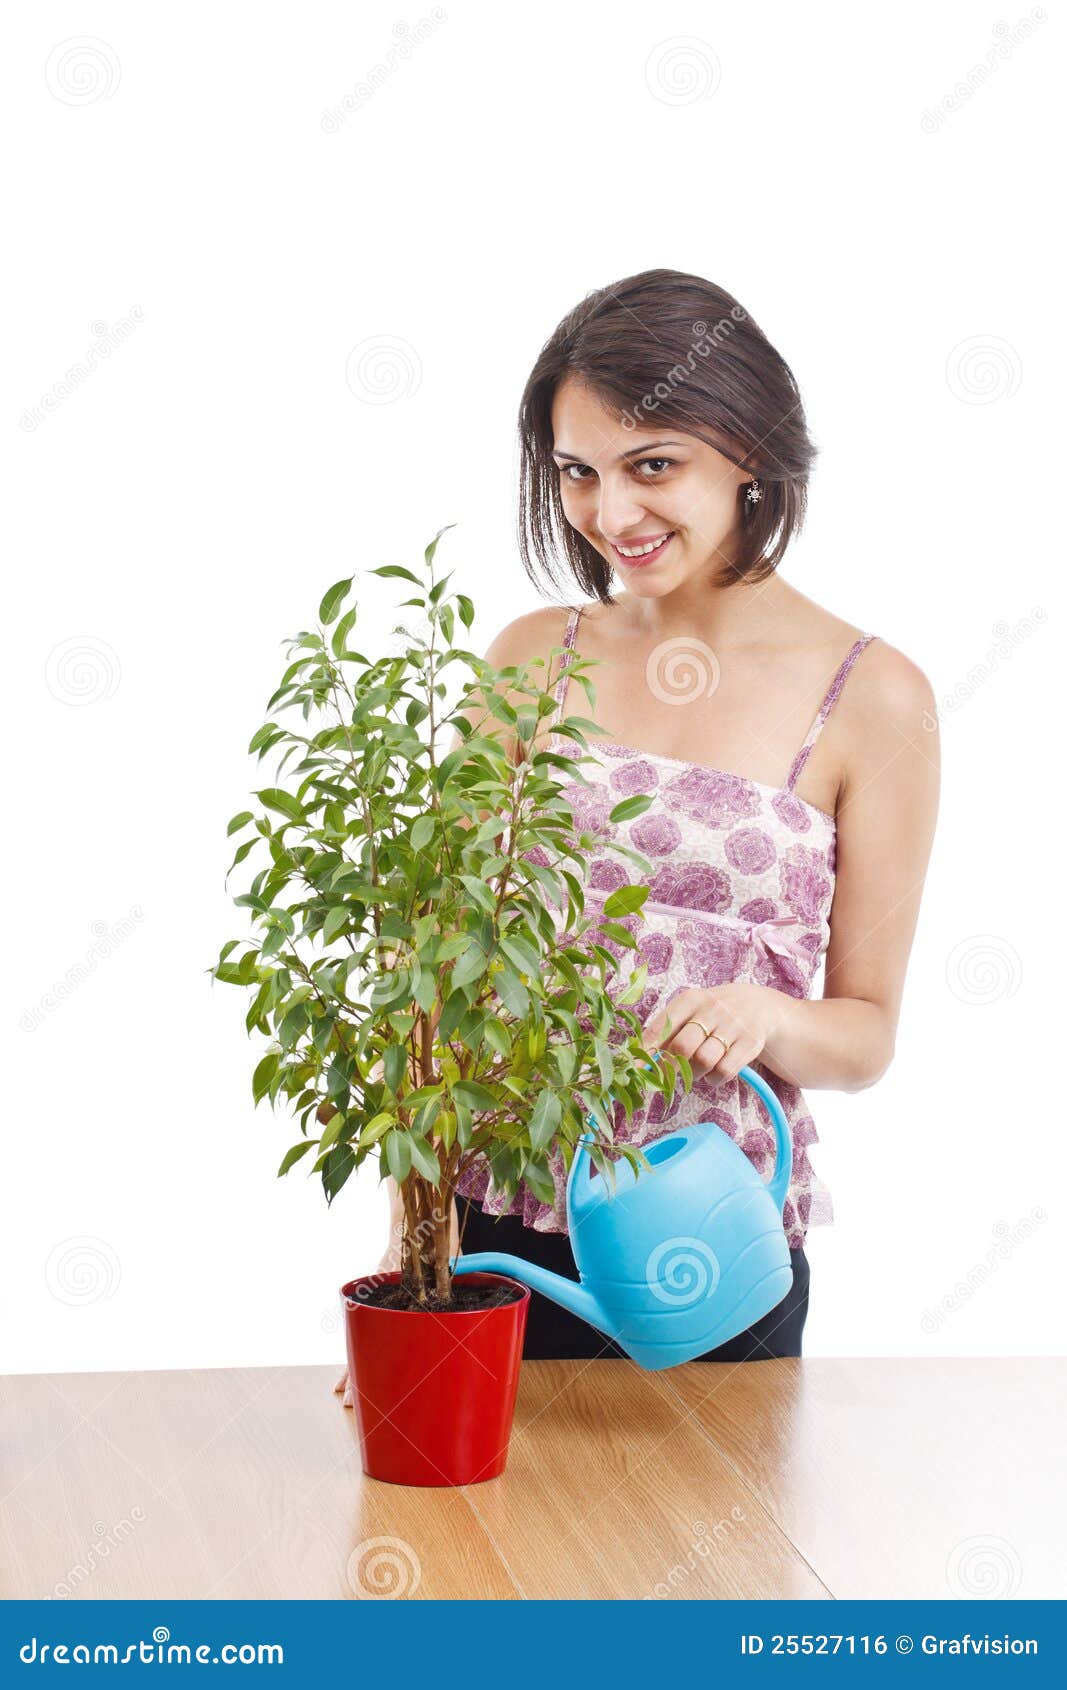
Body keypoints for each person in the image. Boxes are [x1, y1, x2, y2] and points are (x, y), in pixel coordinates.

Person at [337, 267, 939, 1400]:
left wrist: (765, 1015)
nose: (611, 515)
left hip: (706, 1244)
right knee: (473, 1565)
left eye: (651, 464)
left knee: (710, 1569)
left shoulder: (873, 697)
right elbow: (436, 979)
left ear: (748, 449)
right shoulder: (527, 658)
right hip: (496, 1229)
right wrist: (413, 1237)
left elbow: (862, 1035)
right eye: (577, 473)